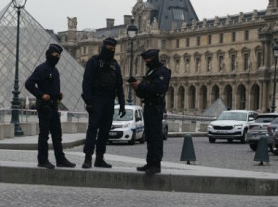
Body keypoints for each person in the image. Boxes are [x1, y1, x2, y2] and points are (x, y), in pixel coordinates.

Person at [24, 43, 76, 169]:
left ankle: (60, 159)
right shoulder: (42, 69)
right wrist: (41, 95)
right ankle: (42, 160)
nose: (57, 57)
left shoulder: (55, 70)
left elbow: (52, 87)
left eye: (59, 55)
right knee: (44, 135)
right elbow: (29, 83)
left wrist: (58, 95)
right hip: (45, 107)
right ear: (48, 54)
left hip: (54, 106)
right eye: (55, 54)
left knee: (57, 135)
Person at [81, 37, 125, 169]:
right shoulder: (94, 62)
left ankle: (100, 158)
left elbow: (119, 86)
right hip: (96, 99)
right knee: (92, 129)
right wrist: (88, 101)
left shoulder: (115, 65)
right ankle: (88, 157)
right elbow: (86, 83)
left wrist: (122, 104)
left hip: (109, 101)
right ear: (104, 47)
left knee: (105, 131)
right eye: (110, 48)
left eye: (114, 49)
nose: (112, 50)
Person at [129, 49, 171, 175]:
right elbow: (144, 92)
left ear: (153, 58)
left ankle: (156, 164)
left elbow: (156, 89)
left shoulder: (163, 72)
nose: (146, 62)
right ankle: (149, 162)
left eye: (147, 60)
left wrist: (140, 86)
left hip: (156, 107)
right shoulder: (151, 72)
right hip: (148, 106)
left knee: (156, 136)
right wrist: (136, 87)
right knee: (149, 136)